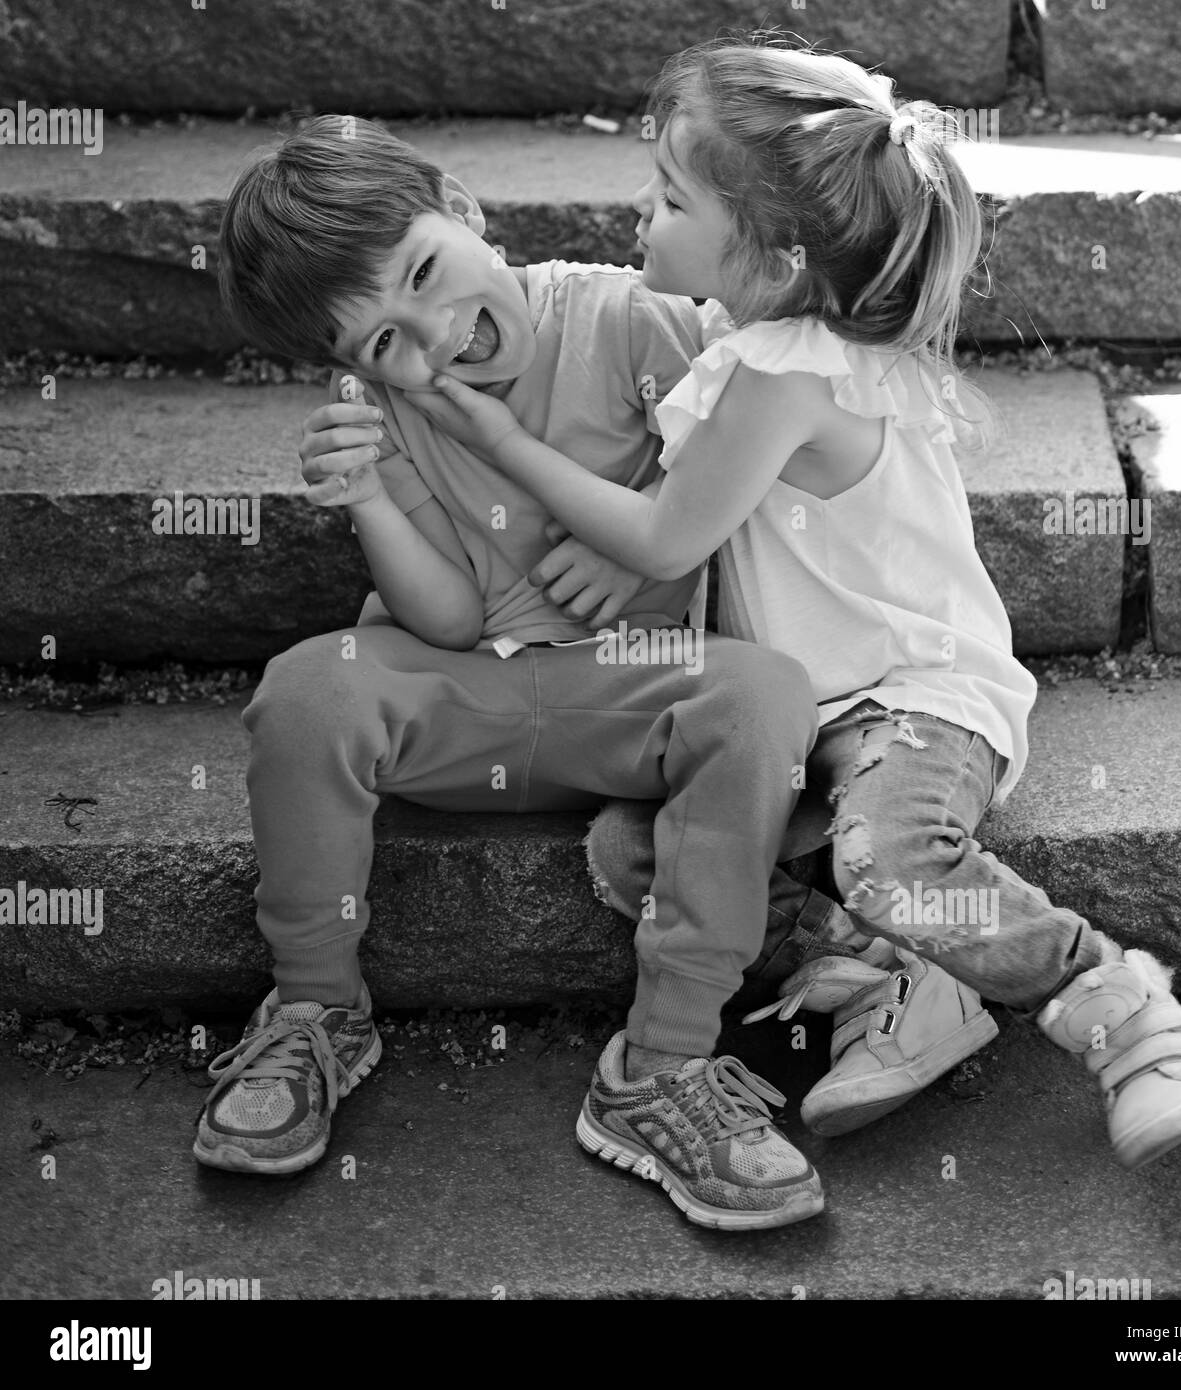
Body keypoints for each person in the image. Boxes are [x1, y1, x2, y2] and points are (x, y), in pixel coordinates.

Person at [419, 36, 1181, 1170]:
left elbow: (669, 531)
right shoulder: (758, 340)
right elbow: (694, 496)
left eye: (666, 198)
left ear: (771, 250)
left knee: (888, 858)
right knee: (631, 854)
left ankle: (1122, 1010)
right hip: (802, 712)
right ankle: (895, 973)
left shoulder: (785, 375)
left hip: (910, 700)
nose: (638, 220)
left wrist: (501, 439)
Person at [199, 114, 835, 1231]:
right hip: (466, 695)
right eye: (384, 341)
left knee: (765, 695)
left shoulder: (631, 322)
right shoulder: (387, 411)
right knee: (308, 687)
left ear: (464, 203)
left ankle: (662, 1067)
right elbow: (442, 617)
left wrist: (647, 532)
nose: (436, 340)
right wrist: (371, 500)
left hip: (633, 682)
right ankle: (315, 1012)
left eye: (429, 276)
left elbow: (750, 438)